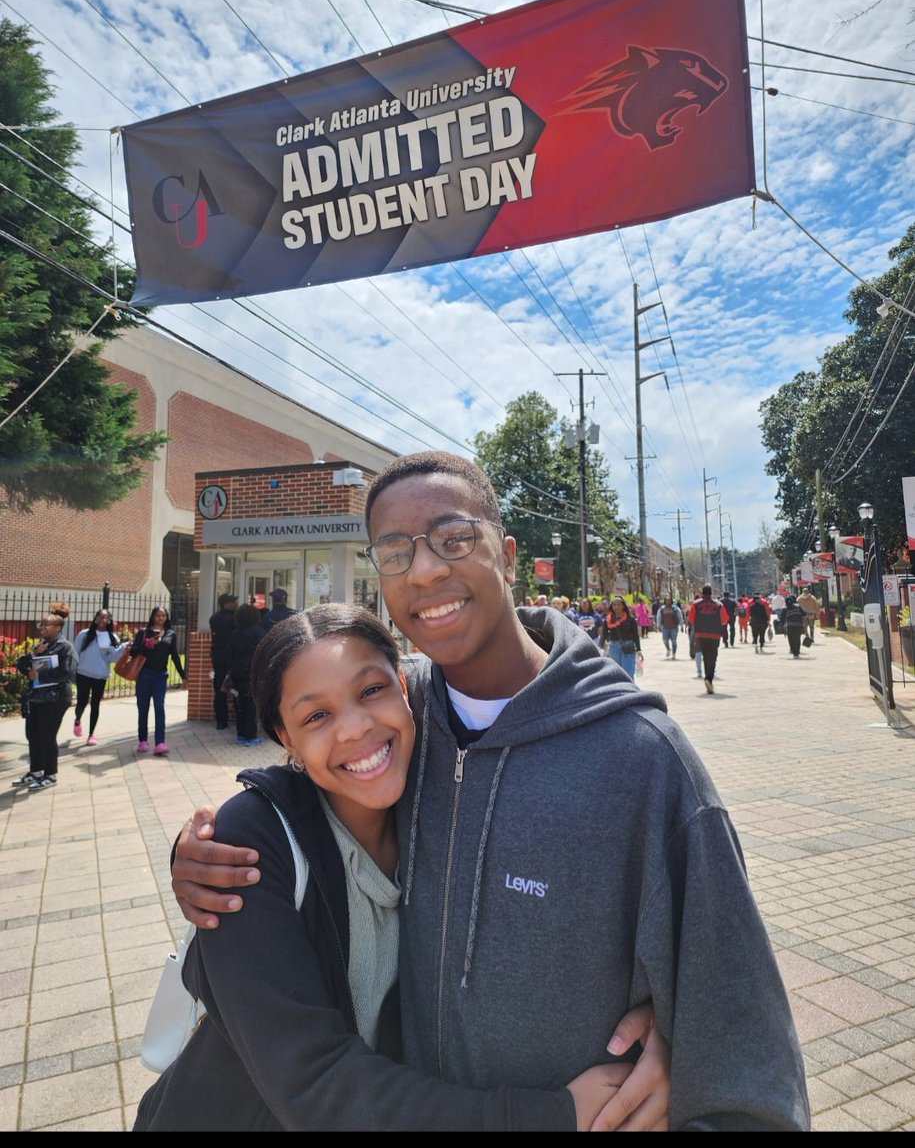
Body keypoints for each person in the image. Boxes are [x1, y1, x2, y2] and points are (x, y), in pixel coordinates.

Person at [171, 451, 810, 1131]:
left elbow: (744, 1058)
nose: (425, 569)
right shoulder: (399, 721)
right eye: (395, 551)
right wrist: (201, 850)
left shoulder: (643, 763)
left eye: (454, 538)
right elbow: (302, 775)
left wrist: (683, 1034)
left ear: (506, 555)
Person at [134, 604, 653, 1131]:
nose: (356, 729)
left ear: (406, 689)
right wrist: (552, 1117)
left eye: (371, 691)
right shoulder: (249, 847)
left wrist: (661, 1016)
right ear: (284, 736)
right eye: (316, 716)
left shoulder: (441, 805)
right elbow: (314, 1085)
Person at [12, 611, 76, 791]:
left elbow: (66, 672)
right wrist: (33, 654)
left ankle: (50, 774)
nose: (42, 627)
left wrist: (40, 675)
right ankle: (35, 771)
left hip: (56, 697)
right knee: (33, 735)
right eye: (42, 624)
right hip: (36, 697)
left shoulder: (65, 647)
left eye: (47, 624)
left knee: (47, 735)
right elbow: (21, 665)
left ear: (58, 627)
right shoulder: (40, 645)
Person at [128, 607, 186, 756]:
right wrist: (147, 644)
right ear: (153, 617)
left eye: (163, 615)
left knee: (159, 708)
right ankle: (143, 740)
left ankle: (160, 743)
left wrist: (183, 675)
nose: (161, 618)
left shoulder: (170, 634)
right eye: (158, 615)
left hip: (161, 675)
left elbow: (174, 655)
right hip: (145, 675)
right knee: (143, 708)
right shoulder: (144, 632)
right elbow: (133, 652)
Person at [72, 609, 127, 745]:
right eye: (100, 617)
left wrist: (122, 649)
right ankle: (78, 719)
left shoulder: (112, 638)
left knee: (95, 704)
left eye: (106, 618)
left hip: (100, 676)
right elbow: (75, 652)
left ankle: (91, 734)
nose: (102, 620)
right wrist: (73, 670)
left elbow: (113, 658)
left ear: (109, 621)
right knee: (81, 702)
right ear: (95, 618)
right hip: (83, 674)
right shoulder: (84, 635)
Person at [225, 602, 267, 747]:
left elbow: (229, 653)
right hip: (252, 672)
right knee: (251, 706)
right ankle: (251, 736)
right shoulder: (259, 632)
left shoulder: (235, 633)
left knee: (241, 704)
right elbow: (264, 652)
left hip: (238, 672)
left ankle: (241, 734)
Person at [687, 585, 729, 694]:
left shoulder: (696, 604)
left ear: (702, 593)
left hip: (701, 634)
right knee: (713, 656)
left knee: (705, 656)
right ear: (711, 593)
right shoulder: (718, 605)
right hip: (714, 634)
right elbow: (725, 620)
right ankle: (709, 679)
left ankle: (707, 679)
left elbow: (691, 619)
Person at [209, 593, 238, 730]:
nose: (235, 604)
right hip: (232, 658)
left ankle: (221, 721)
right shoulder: (234, 619)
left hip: (217, 658)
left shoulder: (214, 618)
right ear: (226, 604)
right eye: (233, 602)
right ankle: (239, 720)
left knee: (219, 691)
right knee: (236, 689)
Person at [599, 595, 642, 681]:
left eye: (618, 605)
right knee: (615, 672)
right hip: (614, 647)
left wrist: (639, 649)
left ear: (623, 606)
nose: (616, 607)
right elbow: (603, 634)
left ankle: (629, 690)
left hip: (628, 647)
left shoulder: (631, 619)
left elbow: (635, 635)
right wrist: (600, 647)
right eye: (614, 605)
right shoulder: (608, 619)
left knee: (628, 672)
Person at [783, 594, 805, 659]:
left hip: (790, 626)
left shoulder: (785, 608)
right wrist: (802, 622)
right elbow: (804, 614)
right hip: (798, 625)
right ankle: (797, 653)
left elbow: (782, 618)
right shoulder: (798, 607)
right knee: (797, 639)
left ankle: (793, 650)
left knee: (791, 639)